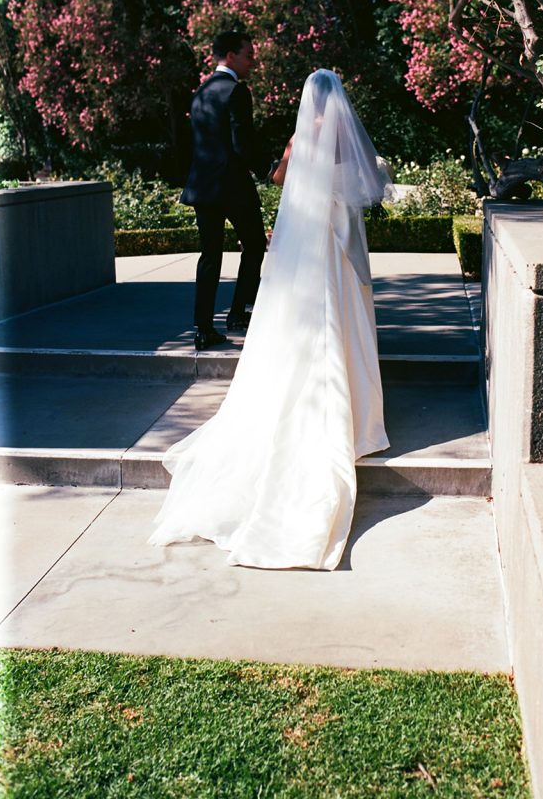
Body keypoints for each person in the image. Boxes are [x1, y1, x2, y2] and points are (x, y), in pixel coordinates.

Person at [150, 69, 394, 570]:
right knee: (338, 324)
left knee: (295, 328)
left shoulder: (298, 139)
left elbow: (280, 179)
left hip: (301, 248)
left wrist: (295, 160)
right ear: (338, 99)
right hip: (333, 248)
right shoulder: (344, 139)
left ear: (307, 102)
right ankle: (355, 413)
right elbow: (371, 181)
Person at [181, 30, 270, 350]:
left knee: (210, 256)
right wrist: (269, 170)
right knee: (256, 244)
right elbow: (242, 144)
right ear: (231, 56)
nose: (253, 61)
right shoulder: (236, 91)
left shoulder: (200, 93)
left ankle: (203, 328)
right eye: (249, 54)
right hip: (232, 186)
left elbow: (191, 143)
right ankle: (237, 312)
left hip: (203, 187)